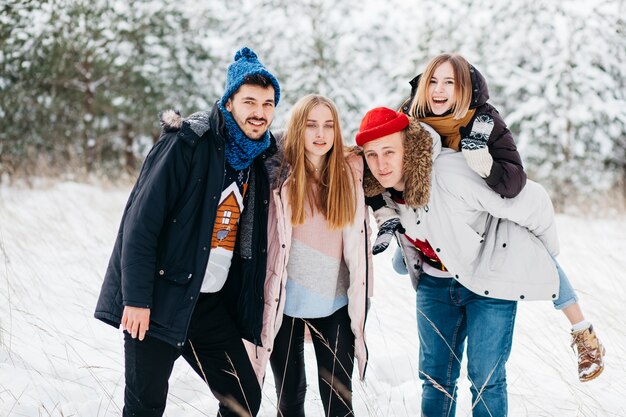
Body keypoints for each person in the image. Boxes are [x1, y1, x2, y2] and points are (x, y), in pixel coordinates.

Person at [356, 107, 605, 416]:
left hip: (488, 278)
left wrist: (543, 250)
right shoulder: (378, 192)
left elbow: (528, 201)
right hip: (435, 286)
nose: (381, 164)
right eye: (372, 155)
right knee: (435, 380)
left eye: (389, 152)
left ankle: (584, 332)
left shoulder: (448, 173)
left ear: (407, 146)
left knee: (486, 378)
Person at [94, 47, 280, 417]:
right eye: (250, 102)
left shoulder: (258, 159)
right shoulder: (187, 143)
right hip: (159, 300)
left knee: (243, 399)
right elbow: (139, 225)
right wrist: (136, 299)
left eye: (268, 103)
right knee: (145, 408)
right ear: (229, 102)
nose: (260, 112)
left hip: (208, 304)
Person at [244, 94, 373, 417]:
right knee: (290, 396)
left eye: (328, 125)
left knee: (339, 400)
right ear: (297, 129)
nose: (320, 134)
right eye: (311, 125)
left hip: (336, 303)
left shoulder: (352, 173)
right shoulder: (276, 176)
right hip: (284, 305)